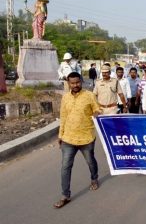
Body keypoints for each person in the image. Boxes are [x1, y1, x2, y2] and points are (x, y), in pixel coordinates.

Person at [54, 72, 100, 209]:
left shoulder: (90, 95)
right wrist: (60, 135)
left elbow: (97, 109)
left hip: (86, 137)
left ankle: (94, 178)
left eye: (77, 82)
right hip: (68, 138)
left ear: (81, 81)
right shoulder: (65, 97)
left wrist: (96, 114)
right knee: (65, 167)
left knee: (90, 161)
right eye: (72, 83)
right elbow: (63, 116)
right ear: (68, 83)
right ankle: (65, 195)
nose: (75, 85)